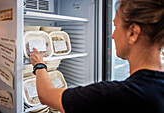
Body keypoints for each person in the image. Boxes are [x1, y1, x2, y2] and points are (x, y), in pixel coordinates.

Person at [29, 0, 164, 113]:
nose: (112, 35)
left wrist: (39, 65)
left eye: (115, 26)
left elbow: (46, 95)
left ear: (133, 33)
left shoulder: (116, 95)